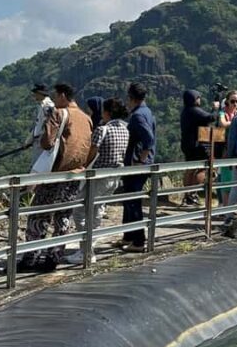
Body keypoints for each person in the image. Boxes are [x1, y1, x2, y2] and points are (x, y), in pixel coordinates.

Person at [18, 83, 92, 272]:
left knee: (39, 216)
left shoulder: (59, 114)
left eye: (56, 96)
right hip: (75, 175)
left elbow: (46, 142)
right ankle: (54, 256)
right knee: (63, 217)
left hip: (55, 174)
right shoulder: (86, 119)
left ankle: (31, 258)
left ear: (62, 95)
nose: (55, 100)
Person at [65, 97, 129, 264]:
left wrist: (81, 166)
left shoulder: (103, 130)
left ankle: (86, 251)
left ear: (107, 112)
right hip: (115, 176)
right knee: (97, 211)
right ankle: (88, 249)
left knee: (79, 210)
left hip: (98, 176)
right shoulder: (126, 129)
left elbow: (91, 152)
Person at [118, 82, 156, 254]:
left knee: (133, 202)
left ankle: (139, 240)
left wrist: (140, 160)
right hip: (142, 164)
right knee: (129, 201)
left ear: (131, 98)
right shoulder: (147, 111)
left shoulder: (137, 116)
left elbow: (148, 140)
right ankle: (129, 236)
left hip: (137, 166)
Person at [180, 89, 219, 205]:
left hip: (188, 144)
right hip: (197, 145)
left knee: (190, 170)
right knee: (204, 168)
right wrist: (216, 108)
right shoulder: (193, 110)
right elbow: (210, 118)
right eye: (198, 98)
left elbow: (204, 118)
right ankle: (192, 194)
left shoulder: (186, 111)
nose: (199, 100)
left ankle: (188, 195)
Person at [217, 90, 237, 205]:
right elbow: (222, 123)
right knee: (226, 178)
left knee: (235, 178)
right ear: (227, 101)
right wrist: (236, 122)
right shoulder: (223, 113)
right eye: (232, 101)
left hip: (236, 150)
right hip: (224, 150)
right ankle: (225, 206)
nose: (235, 104)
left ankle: (232, 205)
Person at [24, 83, 54, 170]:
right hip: (37, 140)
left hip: (42, 140)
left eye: (35, 93)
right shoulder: (42, 105)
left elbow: (47, 125)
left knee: (37, 166)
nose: (34, 95)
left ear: (40, 93)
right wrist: (29, 140)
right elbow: (38, 125)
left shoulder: (47, 106)